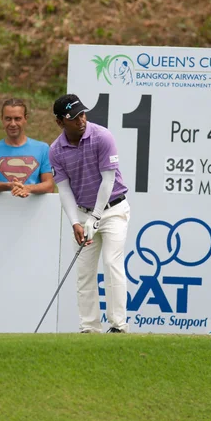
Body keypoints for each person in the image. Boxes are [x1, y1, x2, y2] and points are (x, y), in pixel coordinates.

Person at [49, 93, 130, 334]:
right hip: (84, 214)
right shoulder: (56, 151)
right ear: (60, 122)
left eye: (82, 114)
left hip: (114, 209)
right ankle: (89, 327)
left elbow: (107, 181)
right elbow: (64, 190)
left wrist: (94, 218)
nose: (81, 120)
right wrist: (76, 222)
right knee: (84, 272)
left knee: (111, 262)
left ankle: (118, 325)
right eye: (73, 117)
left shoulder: (102, 136)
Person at [0, 98, 54, 197]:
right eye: (8, 119)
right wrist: (9, 186)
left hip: (33, 210)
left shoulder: (43, 149)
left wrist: (28, 188)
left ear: (25, 119)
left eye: (17, 119)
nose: (13, 124)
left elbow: (49, 185)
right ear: (2, 119)